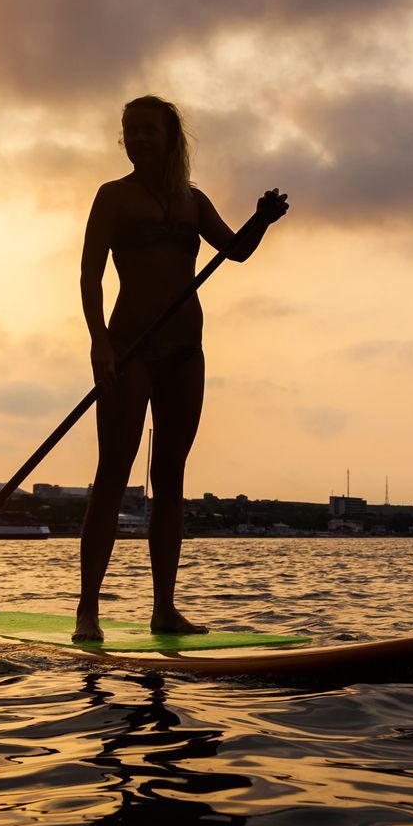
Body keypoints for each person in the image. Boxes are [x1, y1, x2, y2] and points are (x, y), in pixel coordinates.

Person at [75, 95, 287, 642]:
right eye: (130, 130)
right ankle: (88, 611)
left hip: (185, 352)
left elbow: (235, 251)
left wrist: (260, 220)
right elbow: (90, 275)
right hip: (130, 349)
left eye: (149, 130)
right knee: (112, 478)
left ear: (171, 138)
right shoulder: (114, 197)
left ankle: (164, 609)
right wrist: (100, 344)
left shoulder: (192, 200)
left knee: (170, 482)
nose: (138, 138)